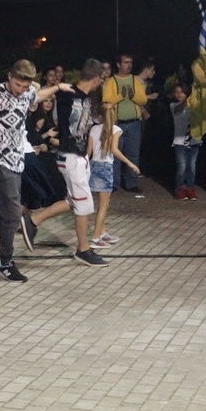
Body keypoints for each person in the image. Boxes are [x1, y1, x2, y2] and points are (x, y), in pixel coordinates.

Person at [0, 60, 72, 283]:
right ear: (10, 76)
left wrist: (58, 87)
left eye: (24, 86)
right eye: (18, 84)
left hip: (16, 163)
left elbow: (38, 95)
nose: (20, 90)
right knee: (12, 214)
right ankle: (4, 262)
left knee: (4, 214)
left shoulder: (27, 93)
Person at [55, 58, 108, 265]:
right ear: (95, 77)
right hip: (70, 155)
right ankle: (83, 249)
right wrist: (57, 87)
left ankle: (33, 221)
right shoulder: (67, 93)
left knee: (73, 201)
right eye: (101, 79)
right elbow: (37, 91)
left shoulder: (86, 97)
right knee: (84, 205)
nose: (101, 83)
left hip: (80, 155)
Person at [88, 102, 139, 249]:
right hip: (105, 167)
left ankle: (102, 232)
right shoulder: (116, 130)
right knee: (103, 205)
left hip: (94, 166)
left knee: (103, 203)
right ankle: (95, 237)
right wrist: (130, 163)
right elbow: (114, 150)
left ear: (99, 116)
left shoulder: (94, 129)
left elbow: (88, 152)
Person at [102, 53, 147, 193]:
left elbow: (143, 100)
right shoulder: (111, 82)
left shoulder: (135, 81)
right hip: (117, 123)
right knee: (115, 154)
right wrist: (121, 96)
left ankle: (132, 183)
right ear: (118, 64)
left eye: (130, 62)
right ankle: (114, 184)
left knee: (133, 154)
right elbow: (106, 101)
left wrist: (133, 96)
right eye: (126, 62)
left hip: (134, 123)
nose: (129, 65)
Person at [171, 83, 201, 201]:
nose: (179, 94)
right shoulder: (173, 105)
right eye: (176, 92)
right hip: (179, 141)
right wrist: (188, 101)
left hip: (194, 140)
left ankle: (190, 188)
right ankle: (180, 188)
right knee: (182, 166)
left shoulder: (194, 106)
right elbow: (177, 109)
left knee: (192, 166)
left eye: (181, 92)